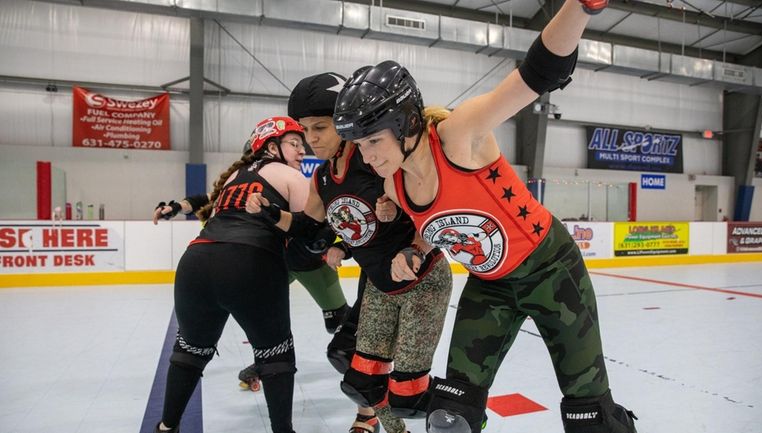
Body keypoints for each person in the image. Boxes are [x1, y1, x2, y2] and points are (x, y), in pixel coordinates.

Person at [331, 1, 638, 433]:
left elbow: (536, 75)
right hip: (490, 288)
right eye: (360, 146)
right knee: (449, 416)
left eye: (374, 141)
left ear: (405, 123)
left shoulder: (459, 136)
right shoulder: (394, 185)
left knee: (591, 419)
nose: (368, 156)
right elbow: (435, 228)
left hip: (551, 272)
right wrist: (414, 251)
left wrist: (581, 8)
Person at [246, 72, 454, 433]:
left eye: (320, 128)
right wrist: (268, 212)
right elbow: (307, 224)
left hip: (422, 279)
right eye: (305, 130)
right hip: (378, 285)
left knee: (407, 391)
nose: (311, 140)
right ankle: (394, 430)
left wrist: (414, 243)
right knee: (361, 381)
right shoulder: (322, 176)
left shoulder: (375, 157)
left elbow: (433, 206)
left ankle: (464, 409)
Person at [151, 116, 311, 433]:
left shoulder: (233, 177)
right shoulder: (291, 175)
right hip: (251, 264)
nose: (302, 151)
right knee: (275, 356)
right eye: (295, 144)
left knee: (190, 352)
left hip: (196, 262)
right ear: (271, 146)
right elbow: (308, 231)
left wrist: (173, 207)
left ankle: (167, 427)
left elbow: (204, 203)